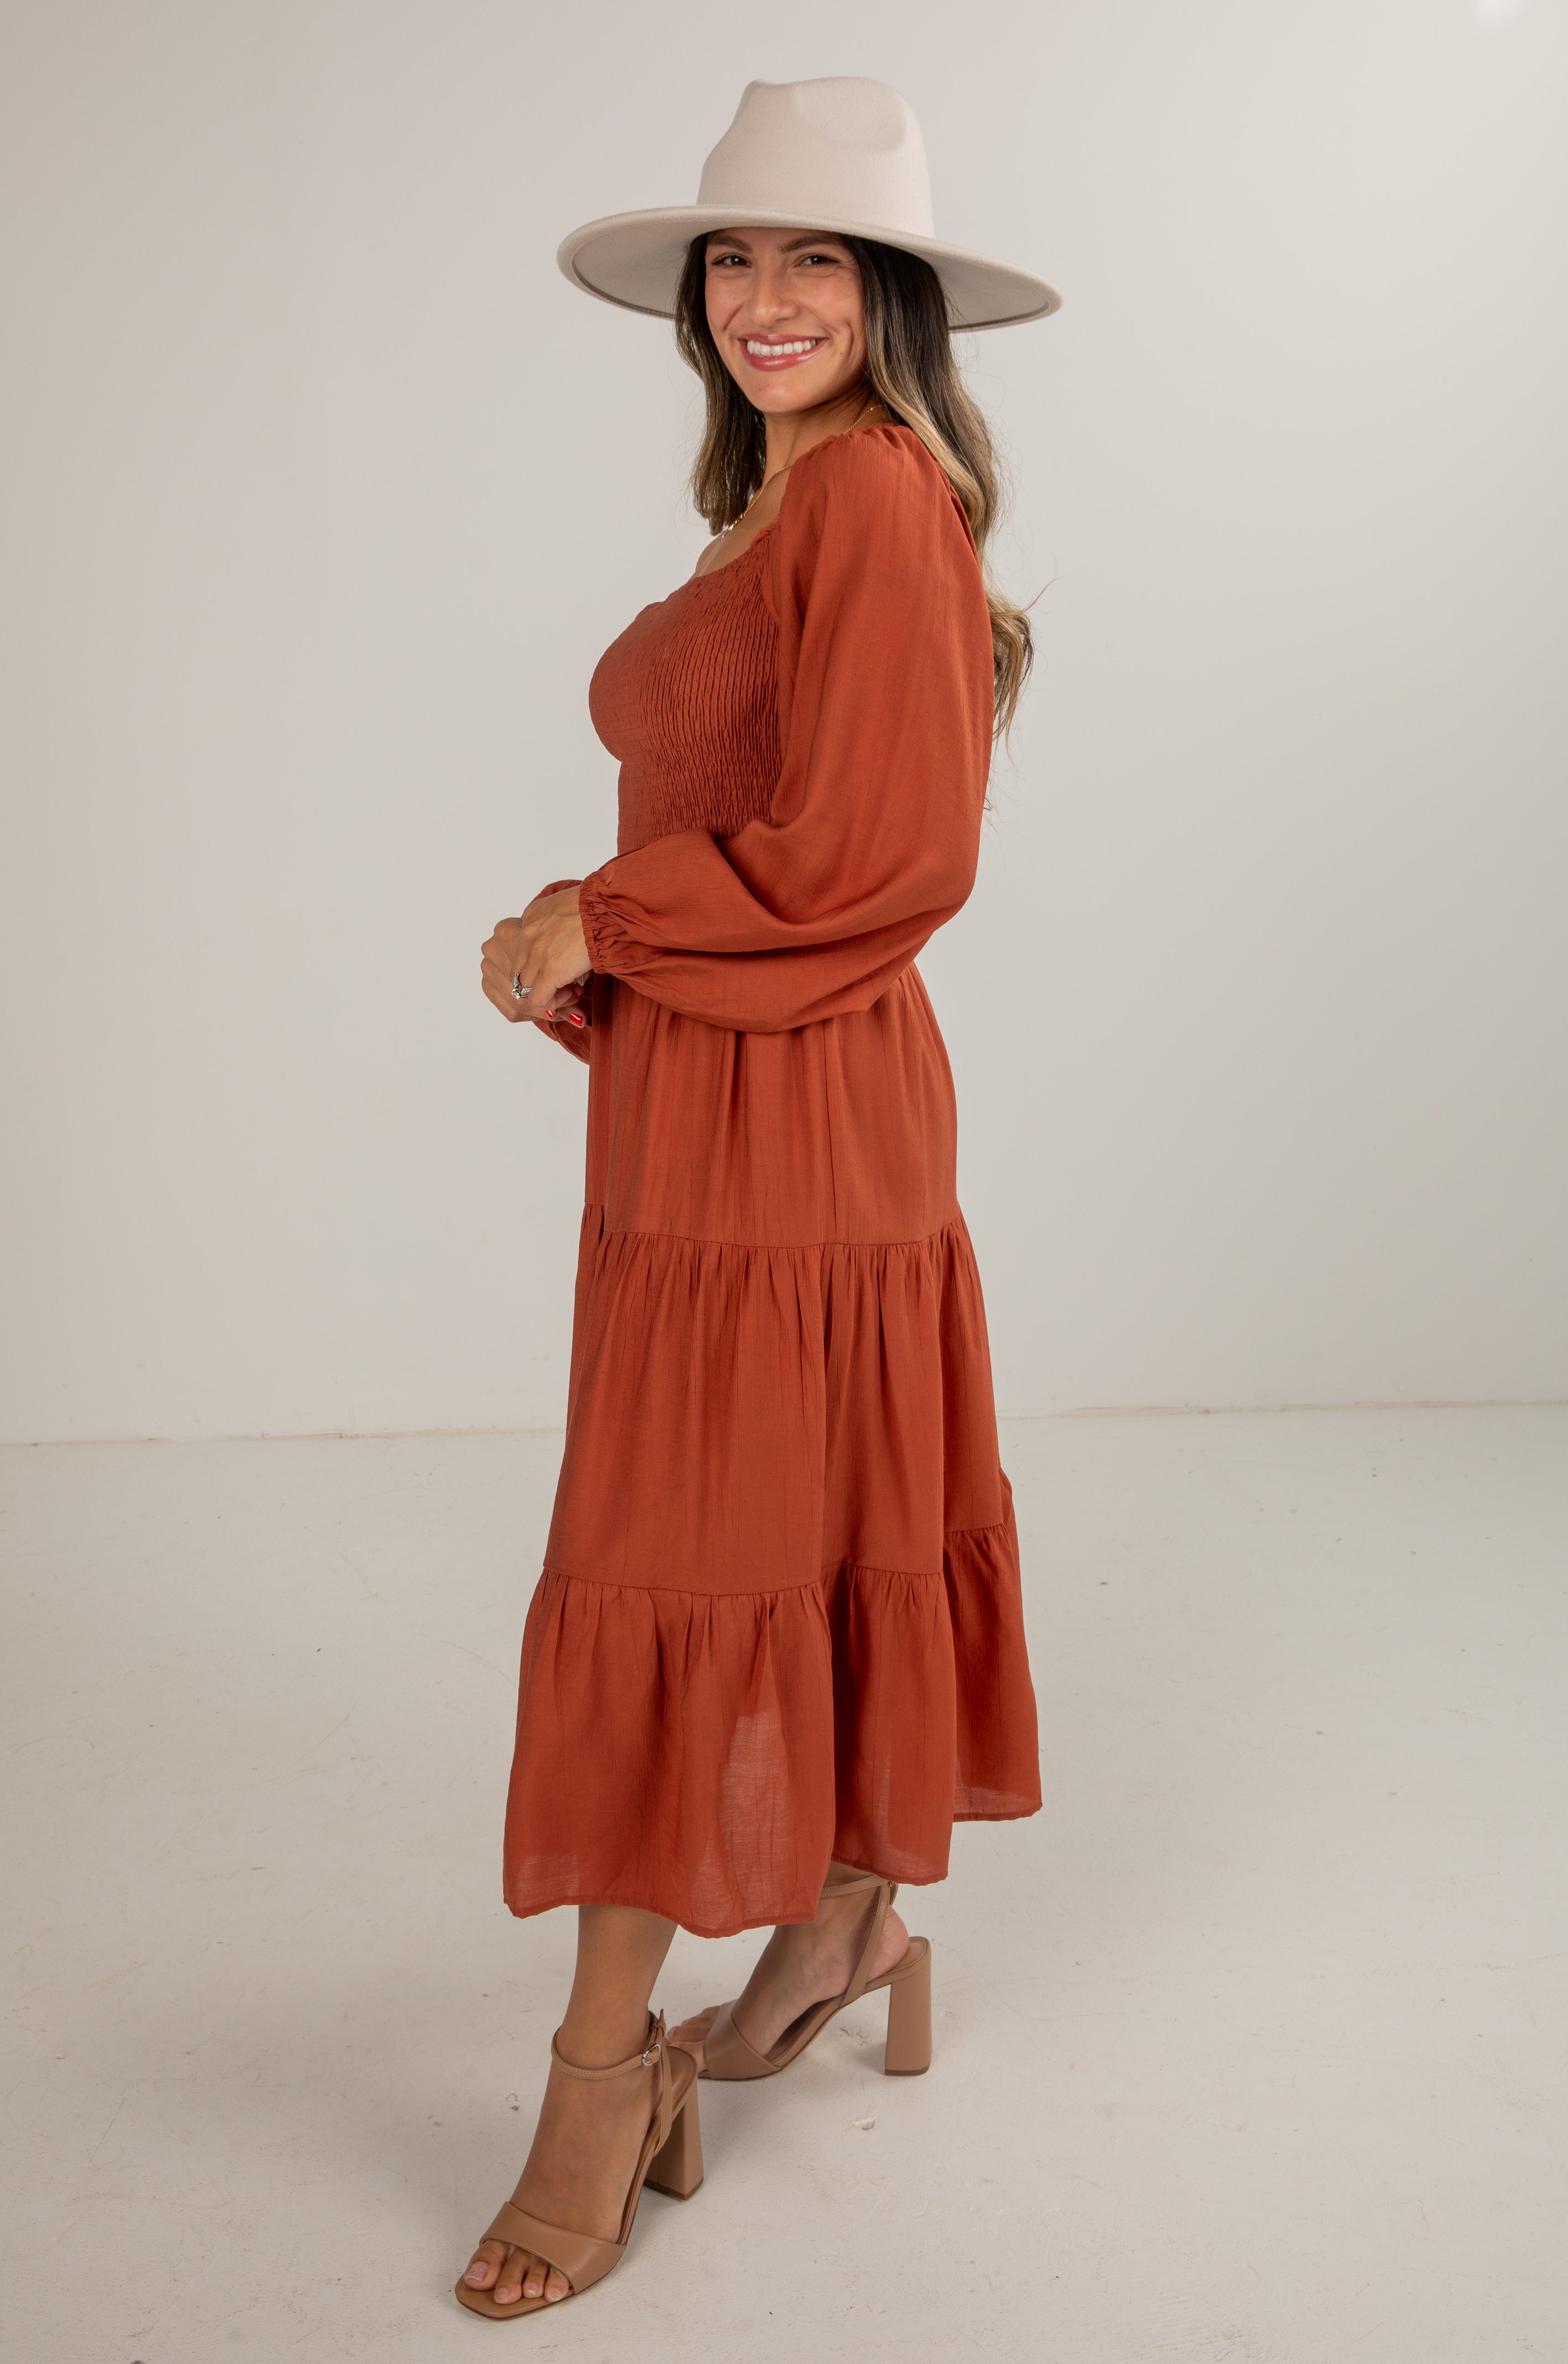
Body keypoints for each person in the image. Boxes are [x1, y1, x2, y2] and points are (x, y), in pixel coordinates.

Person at [456, 75, 1062, 2321]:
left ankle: (601, 2079)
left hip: (799, 1128)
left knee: (677, 1553)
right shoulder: (774, 512)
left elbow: (890, 866)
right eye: (736, 256)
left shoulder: (878, 502)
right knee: (760, 1534)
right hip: (719, 1112)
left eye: (819, 260)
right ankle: (840, 1924)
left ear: (890, 302)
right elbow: (769, 828)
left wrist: (605, 920)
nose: (767, 295)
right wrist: (585, 923)